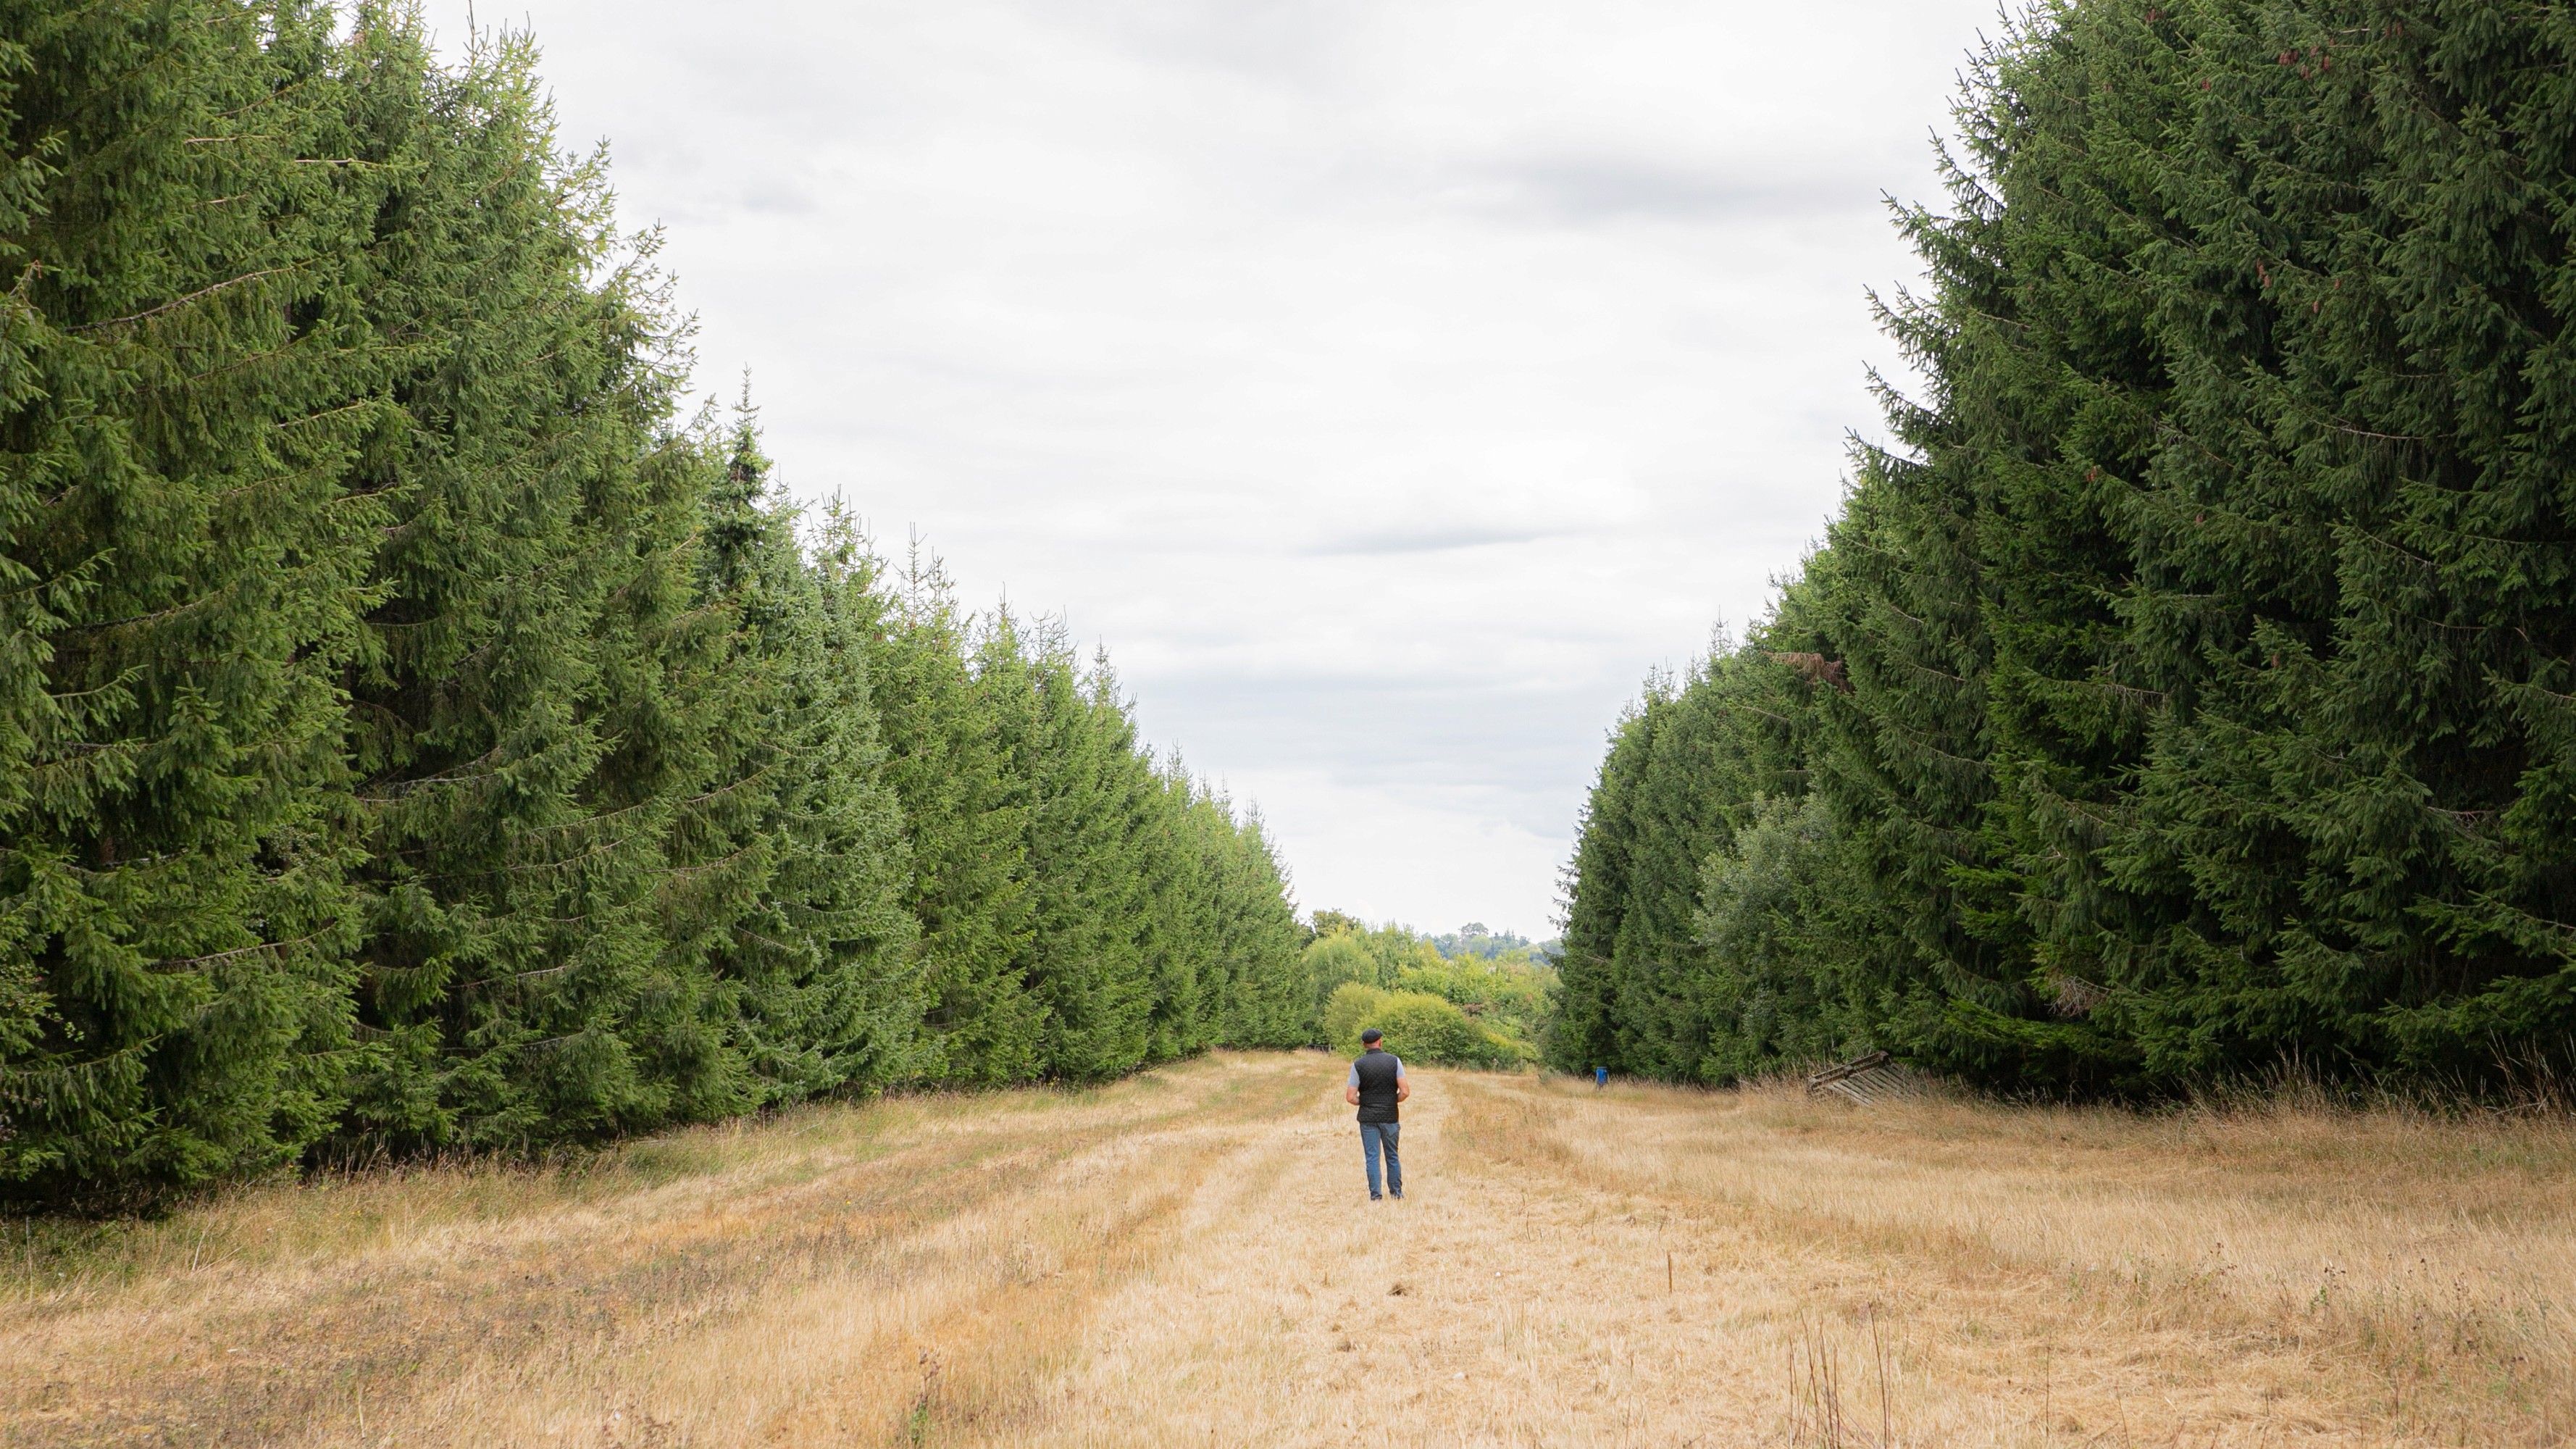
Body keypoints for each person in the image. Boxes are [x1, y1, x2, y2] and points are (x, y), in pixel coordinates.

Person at [1345, 1027, 1408, 1200]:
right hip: (1390, 1116)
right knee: (1392, 1156)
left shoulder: (1358, 1065)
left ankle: (1376, 1196)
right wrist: (1392, 1100)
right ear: (1380, 1042)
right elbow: (1405, 1092)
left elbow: (1350, 1097)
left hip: (1368, 1118)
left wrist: (1365, 1102)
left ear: (1364, 1045)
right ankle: (1396, 1193)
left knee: (1372, 1158)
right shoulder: (1395, 1062)